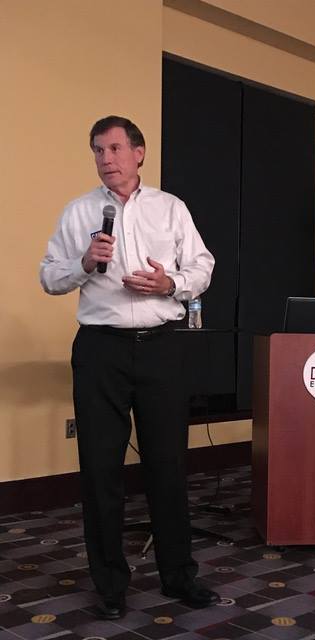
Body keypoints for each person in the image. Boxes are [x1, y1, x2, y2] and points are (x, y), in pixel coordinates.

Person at [40, 115, 218, 619]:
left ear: (139, 153)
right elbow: (49, 278)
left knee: (169, 465)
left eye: (115, 148)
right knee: (100, 470)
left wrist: (170, 286)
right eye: (97, 150)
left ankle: (179, 576)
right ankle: (110, 585)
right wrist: (84, 265)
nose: (106, 159)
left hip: (162, 345)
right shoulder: (78, 213)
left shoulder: (170, 208)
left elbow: (202, 265)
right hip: (100, 350)